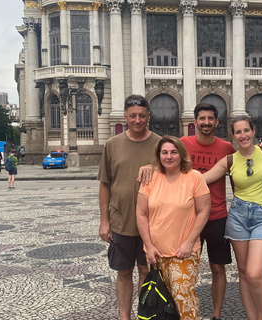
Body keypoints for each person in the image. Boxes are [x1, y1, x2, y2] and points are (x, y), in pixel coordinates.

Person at [203, 116, 262, 320]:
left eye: (246, 130)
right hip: (238, 216)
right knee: (243, 272)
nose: (243, 135)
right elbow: (202, 179)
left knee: (255, 273)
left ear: (253, 131)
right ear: (233, 136)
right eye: (238, 132)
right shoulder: (229, 160)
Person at [97, 94, 161, 320]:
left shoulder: (160, 144)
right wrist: (104, 221)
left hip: (152, 225)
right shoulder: (112, 144)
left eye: (142, 116)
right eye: (133, 115)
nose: (137, 120)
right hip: (121, 222)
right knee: (123, 272)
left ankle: (143, 315)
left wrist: (154, 167)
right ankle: (125, 317)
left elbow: (174, 176)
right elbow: (105, 184)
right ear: (125, 116)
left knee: (146, 270)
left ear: (148, 117)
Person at [136, 136, 211, 320]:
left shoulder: (194, 177)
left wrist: (189, 242)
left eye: (173, 152)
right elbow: (141, 213)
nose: (169, 156)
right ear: (159, 155)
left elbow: (203, 211)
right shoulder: (150, 178)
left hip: (184, 252)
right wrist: (148, 245)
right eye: (164, 152)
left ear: (181, 154)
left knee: (183, 296)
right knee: (162, 300)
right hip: (157, 253)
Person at [180, 103, 236, 320]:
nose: (206, 122)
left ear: (216, 122)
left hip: (217, 217)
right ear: (194, 122)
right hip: (187, 217)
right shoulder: (183, 144)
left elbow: (236, 178)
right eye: (201, 119)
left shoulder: (226, 148)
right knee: (185, 268)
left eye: (210, 119)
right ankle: (186, 312)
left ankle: (216, 314)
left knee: (218, 268)